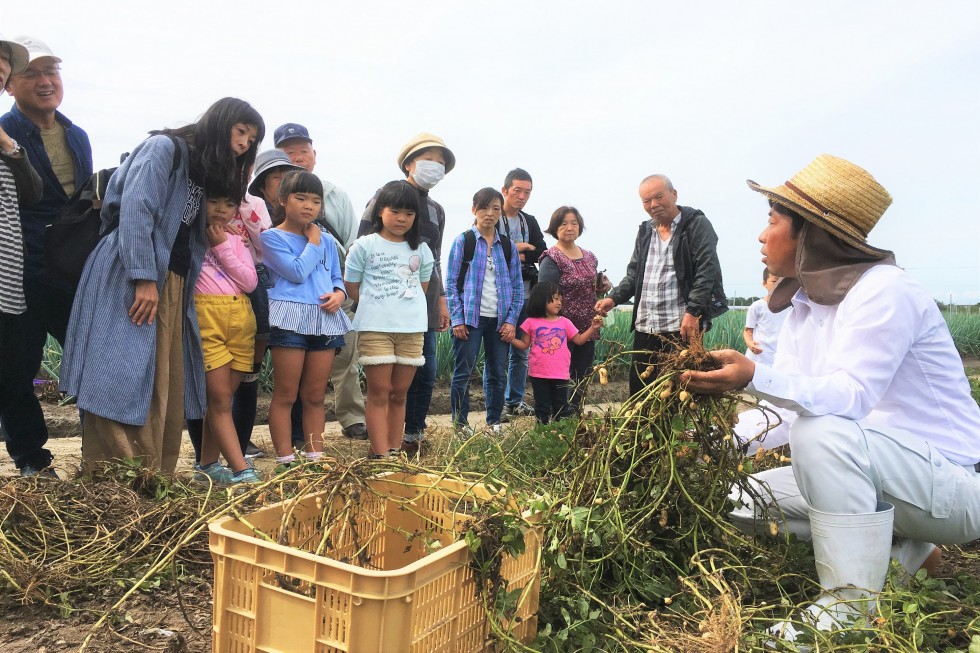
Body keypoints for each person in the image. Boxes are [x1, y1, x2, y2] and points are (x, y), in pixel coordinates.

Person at [682, 154, 980, 642]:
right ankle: (907, 555)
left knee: (820, 432)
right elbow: (780, 411)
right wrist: (710, 451)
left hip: (949, 485)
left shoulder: (886, 292)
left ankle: (849, 607)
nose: (761, 235)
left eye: (772, 220)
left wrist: (752, 375)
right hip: (883, 476)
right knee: (734, 499)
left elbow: (849, 398)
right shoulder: (804, 307)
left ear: (811, 236)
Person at [61, 97, 264, 474]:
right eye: (240, 132)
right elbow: (137, 209)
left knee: (162, 378)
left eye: (251, 139)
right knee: (119, 369)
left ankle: (152, 474)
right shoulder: (164, 149)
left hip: (174, 283)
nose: (243, 144)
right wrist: (143, 278)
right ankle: (114, 475)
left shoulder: (200, 173)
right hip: (131, 272)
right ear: (218, 124)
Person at [0, 36, 92, 477]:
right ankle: (32, 460)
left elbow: (77, 207)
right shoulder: (6, 133)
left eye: (51, 71)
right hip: (21, 270)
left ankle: (100, 451)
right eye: (31, 74)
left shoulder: (77, 135)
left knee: (93, 360)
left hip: (72, 270)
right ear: (10, 86)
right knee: (16, 370)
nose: (44, 82)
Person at [359, 133, 454, 455]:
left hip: (418, 307)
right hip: (382, 308)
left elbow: (434, 260)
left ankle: (411, 434)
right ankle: (381, 444)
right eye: (429, 160)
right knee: (382, 385)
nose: (435, 168)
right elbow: (363, 247)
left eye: (441, 164)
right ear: (410, 163)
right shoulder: (385, 196)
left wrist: (440, 300)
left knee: (423, 373)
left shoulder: (437, 210)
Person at [274, 123, 367, 444]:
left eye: (303, 150)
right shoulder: (274, 209)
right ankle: (293, 439)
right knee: (293, 374)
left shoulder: (335, 194)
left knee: (345, 359)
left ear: (314, 154)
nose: (298, 157)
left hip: (333, 289)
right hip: (291, 304)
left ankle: (352, 417)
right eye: (289, 152)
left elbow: (352, 243)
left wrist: (344, 291)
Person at [595, 174, 727, 398]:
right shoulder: (646, 230)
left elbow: (707, 269)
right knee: (640, 392)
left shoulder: (695, 225)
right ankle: (641, 431)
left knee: (676, 392)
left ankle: (673, 434)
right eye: (646, 201)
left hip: (681, 327)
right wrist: (613, 298)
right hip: (646, 324)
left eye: (658, 197)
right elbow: (634, 273)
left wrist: (694, 311)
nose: (653, 205)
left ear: (674, 195)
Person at [259, 170, 351, 468]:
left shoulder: (326, 241)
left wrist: (338, 294)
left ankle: (314, 456)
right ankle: (285, 458)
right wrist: (313, 241)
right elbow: (296, 272)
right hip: (289, 319)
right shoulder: (271, 238)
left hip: (324, 319)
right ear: (283, 200)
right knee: (286, 394)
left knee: (314, 395)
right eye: (300, 198)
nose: (309, 206)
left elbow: (337, 277)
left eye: (315, 201)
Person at [345, 181, 433, 458]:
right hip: (375, 328)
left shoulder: (421, 250)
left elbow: (422, 288)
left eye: (409, 213)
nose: (402, 219)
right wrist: (378, 306)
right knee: (379, 392)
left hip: (411, 329)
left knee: (399, 393)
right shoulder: (364, 246)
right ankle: (379, 453)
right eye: (395, 211)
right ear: (380, 211)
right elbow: (352, 287)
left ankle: (394, 450)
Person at [191, 192, 260, 485]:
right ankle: (241, 468)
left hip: (241, 319)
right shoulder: (189, 237)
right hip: (207, 317)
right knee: (219, 399)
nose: (222, 209)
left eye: (230, 204)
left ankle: (207, 464)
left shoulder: (235, 240)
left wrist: (223, 248)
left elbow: (249, 281)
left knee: (223, 399)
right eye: (214, 201)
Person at [0, 35, 45, 476]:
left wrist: (9, 146)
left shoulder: (7, 138)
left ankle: (31, 460)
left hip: (10, 277)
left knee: (14, 374)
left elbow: (33, 193)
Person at [446, 188, 523, 432]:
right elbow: (450, 283)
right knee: (463, 373)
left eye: (495, 209)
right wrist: (457, 319)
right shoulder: (464, 241)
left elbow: (517, 288)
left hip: (499, 321)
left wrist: (511, 322)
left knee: (497, 373)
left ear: (501, 212)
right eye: (483, 208)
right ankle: (460, 424)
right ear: (474, 210)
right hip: (470, 320)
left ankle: (494, 422)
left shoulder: (507, 247)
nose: (489, 214)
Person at [538, 206, 611, 414]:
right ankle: (558, 416)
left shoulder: (589, 256)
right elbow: (546, 293)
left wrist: (605, 286)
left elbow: (594, 284)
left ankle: (575, 414)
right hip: (560, 329)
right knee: (559, 375)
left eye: (574, 223)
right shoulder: (551, 258)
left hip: (588, 325)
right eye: (563, 224)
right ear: (555, 228)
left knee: (582, 373)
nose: (569, 228)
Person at [509, 282, 603, 424]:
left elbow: (579, 340)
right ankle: (543, 432)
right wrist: (510, 339)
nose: (559, 303)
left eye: (561, 299)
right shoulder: (530, 322)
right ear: (541, 299)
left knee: (561, 406)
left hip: (561, 374)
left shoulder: (565, 322)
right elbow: (523, 345)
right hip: (538, 374)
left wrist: (592, 328)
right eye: (555, 299)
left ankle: (560, 433)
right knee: (542, 406)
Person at [496, 168, 546, 419]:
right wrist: (518, 247)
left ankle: (514, 401)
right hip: (498, 295)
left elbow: (542, 252)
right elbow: (488, 248)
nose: (522, 196)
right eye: (517, 190)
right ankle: (496, 408)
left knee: (522, 351)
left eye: (527, 192)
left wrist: (517, 252)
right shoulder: (492, 217)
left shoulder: (530, 221)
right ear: (504, 190)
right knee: (498, 351)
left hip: (527, 293)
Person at [743, 269, 787, 367]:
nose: (778, 284)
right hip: (758, 358)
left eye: (782, 282)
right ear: (764, 284)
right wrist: (750, 343)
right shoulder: (757, 306)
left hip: (780, 358)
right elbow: (748, 331)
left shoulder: (791, 307)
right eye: (774, 281)